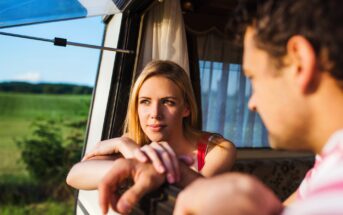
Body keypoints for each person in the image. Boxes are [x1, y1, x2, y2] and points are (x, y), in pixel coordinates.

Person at [97, 0, 343, 214]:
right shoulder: (327, 161)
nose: (252, 103)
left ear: (300, 62)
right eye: (145, 102)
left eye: (253, 77)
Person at [66, 60, 236, 190]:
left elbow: (199, 194)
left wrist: (140, 163)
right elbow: (75, 175)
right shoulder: (133, 141)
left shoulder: (217, 149)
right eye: (145, 102)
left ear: (186, 108)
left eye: (168, 102)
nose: (155, 113)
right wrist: (124, 146)